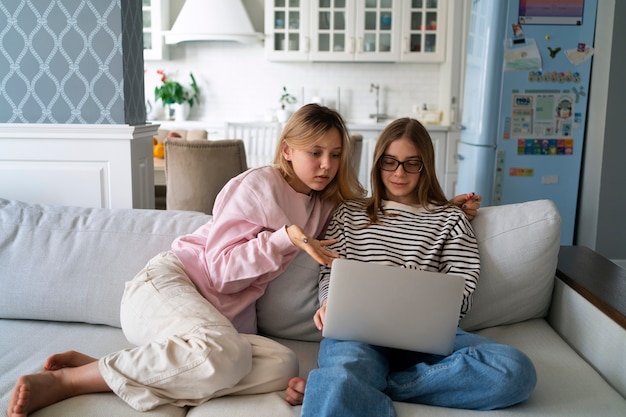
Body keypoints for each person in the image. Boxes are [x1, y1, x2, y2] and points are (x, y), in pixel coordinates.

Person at [7, 105, 481, 417]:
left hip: (215, 322)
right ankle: (71, 380)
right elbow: (218, 270)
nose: (326, 165)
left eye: (335, 155)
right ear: (287, 151)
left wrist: (446, 205)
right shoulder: (257, 185)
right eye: (315, 152)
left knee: (281, 366)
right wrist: (286, 237)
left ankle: (117, 364)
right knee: (225, 353)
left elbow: (386, 209)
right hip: (174, 286)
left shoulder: (327, 203)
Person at [287, 117, 537, 415]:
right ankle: (344, 384)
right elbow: (329, 269)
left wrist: (428, 313)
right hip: (357, 331)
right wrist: (329, 302)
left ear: (425, 167)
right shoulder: (349, 212)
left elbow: (463, 289)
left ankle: (359, 386)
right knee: (343, 374)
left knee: (514, 371)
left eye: (411, 164)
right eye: (389, 162)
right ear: (378, 163)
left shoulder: (451, 219)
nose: (399, 173)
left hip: (426, 338)